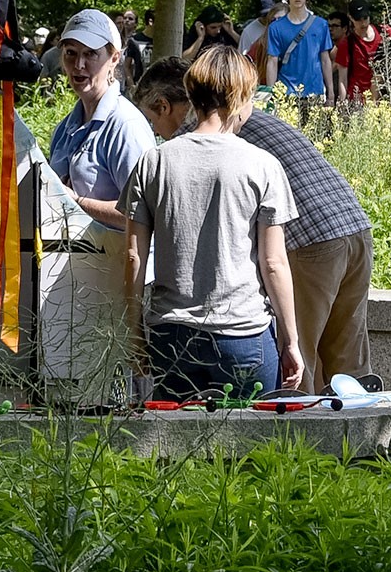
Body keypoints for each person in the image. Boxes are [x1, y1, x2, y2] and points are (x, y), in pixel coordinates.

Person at [133, 58, 376, 389]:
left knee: (295, 378)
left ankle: (297, 439)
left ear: (164, 107)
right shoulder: (253, 119)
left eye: (151, 121)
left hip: (308, 245)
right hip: (354, 229)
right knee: (348, 375)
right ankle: (356, 435)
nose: (155, 132)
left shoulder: (192, 138)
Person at [118, 46, 306, 400]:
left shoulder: (153, 162)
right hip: (243, 335)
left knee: (172, 450)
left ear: (191, 94)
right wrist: (291, 340)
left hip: (170, 336)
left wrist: (133, 333)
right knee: (252, 451)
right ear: (240, 99)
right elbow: (273, 263)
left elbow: (133, 259)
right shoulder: (262, 165)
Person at [46, 9, 152, 231]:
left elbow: (144, 213)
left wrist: (77, 202)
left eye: (90, 54)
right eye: (71, 53)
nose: (79, 65)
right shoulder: (65, 128)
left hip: (115, 262)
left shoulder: (125, 126)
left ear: (114, 58)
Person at [256, 0, 332, 98]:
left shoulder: (321, 25)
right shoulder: (276, 27)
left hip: (315, 92)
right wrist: (271, 95)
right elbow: (272, 61)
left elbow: (325, 60)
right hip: (286, 92)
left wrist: (331, 93)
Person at [330, 0, 387, 105]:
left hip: (382, 100)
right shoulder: (347, 44)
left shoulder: (385, 34)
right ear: (350, 18)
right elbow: (342, 80)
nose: (363, 23)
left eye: (365, 18)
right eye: (358, 19)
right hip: (357, 101)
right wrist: (343, 107)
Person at [238, 0, 280, 78]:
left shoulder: (282, 26)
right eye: (265, 15)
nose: (268, 17)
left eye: (271, 13)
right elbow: (242, 61)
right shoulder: (248, 32)